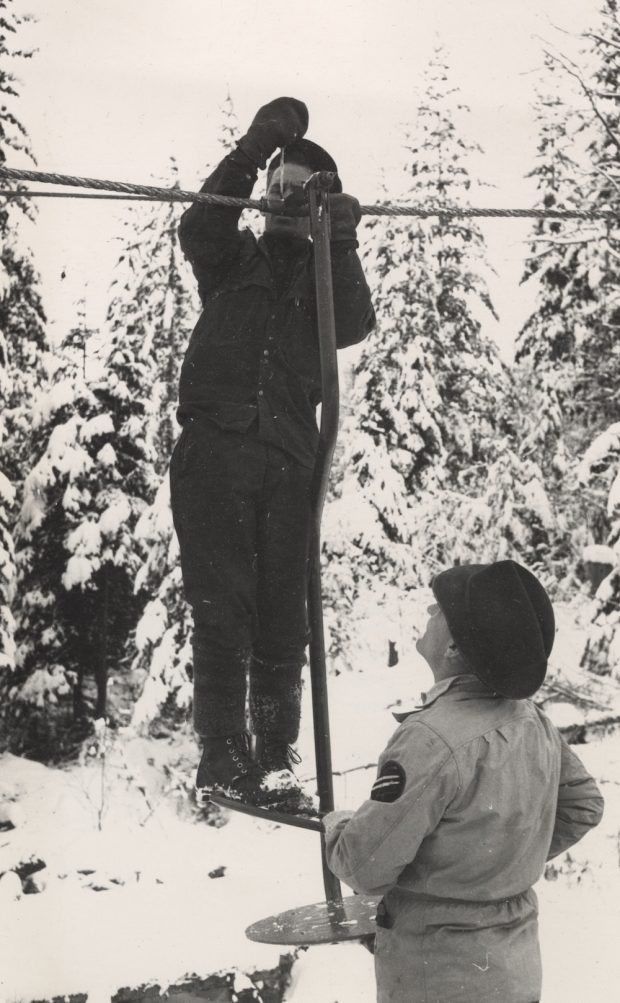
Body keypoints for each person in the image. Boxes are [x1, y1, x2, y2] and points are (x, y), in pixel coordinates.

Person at [171, 97, 375, 809]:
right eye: (279, 187)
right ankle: (223, 752)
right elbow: (197, 224)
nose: (286, 200)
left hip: (290, 462)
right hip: (218, 448)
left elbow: (353, 323)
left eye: (303, 193)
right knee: (224, 604)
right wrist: (254, 147)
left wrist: (340, 243)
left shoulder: (322, 283)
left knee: (285, 610)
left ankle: (274, 752)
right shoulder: (232, 261)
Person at [323, 560, 604, 1003]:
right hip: (514, 971)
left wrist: (338, 826)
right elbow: (584, 804)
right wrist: (494, 864)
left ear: (454, 646)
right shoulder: (532, 720)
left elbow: (364, 867)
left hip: (440, 978)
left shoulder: (429, 739)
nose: (429, 615)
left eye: (437, 610)